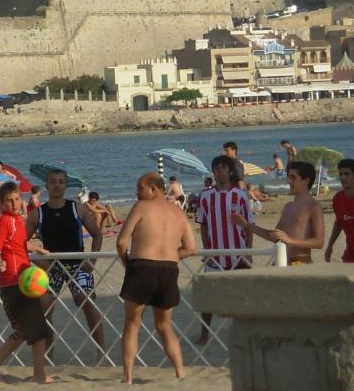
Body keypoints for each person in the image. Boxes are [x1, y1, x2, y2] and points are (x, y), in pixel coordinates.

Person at [117, 172, 197, 383]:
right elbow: (191, 248)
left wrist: (128, 263)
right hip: (168, 269)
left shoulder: (141, 207)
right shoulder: (178, 213)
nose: (136, 192)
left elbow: (121, 242)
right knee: (164, 325)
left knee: (132, 324)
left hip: (142, 267)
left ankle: (128, 377)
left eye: (139, 188)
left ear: (153, 188)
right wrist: (170, 257)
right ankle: (180, 372)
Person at [27, 168, 105, 362]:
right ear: (46, 185)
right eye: (52, 182)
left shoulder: (77, 208)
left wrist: (92, 261)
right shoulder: (38, 213)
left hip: (78, 264)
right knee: (44, 308)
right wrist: (36, 256)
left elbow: (97, 234)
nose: (57, 185)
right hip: (52, 266)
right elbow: (20, 242)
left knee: (86, 302)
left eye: (61, 182)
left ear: (66, 185)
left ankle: (101, 352)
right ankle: (49, 354)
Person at [0, 181, 52, 384]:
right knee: (38, 332)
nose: (13, 204)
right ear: (1, 203)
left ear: (20, 199)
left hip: (21, 280)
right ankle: (39, 374)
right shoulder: (4, 221)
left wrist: (36, 249)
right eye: (8, 201)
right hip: (14, 282)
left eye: (16, 199)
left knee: (23, 330)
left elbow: (19, 243)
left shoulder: (18, 220)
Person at [195, 155, 252, 344]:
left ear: (229, 171)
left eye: (223, 168)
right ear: (213, 172)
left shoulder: (241, 195)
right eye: (217, 168)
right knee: (208, 297)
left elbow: (249, 225)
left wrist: (248, 253)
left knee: (243, 295)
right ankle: (205, 333)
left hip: (238, 253)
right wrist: (207, 251)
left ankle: (245, 333)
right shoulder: (205, 196)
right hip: (215, 255)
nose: (220, 171)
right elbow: (202, 225)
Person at [233, 161, 325, 265]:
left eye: (293, 177)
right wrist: (246, 224)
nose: (289, 181)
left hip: (300, 263)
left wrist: (290, 240)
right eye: (288, 177)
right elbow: (274, 237)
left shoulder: (313, 206)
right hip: (281, 262)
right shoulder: (288, 207)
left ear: (306, 181)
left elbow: (319, 242)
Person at [325, 158, 354, 263]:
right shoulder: (338, 198)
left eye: (347, 174)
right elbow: (339, 222)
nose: (343, 177)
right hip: (350, 254)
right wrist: (330, 246)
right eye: (340, 174)